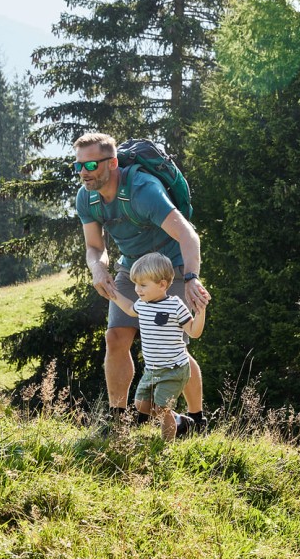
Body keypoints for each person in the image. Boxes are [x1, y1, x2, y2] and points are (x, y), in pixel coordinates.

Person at [74, 133, 210, 431]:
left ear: (112, 163)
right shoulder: (87, 197)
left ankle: (197, 420)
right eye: (79, 166)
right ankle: (119, 421)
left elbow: (188, 235)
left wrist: (190, 278)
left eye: (91, 165)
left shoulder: (143, 190)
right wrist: (98, 269)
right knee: (115, 338)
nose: (83, 172)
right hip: (132, 268)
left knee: (175, 347)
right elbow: (94, 247)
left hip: (169, 267)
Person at [105, 253, 206, 440]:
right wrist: (112, 293)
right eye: (135, 284)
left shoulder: (176, 305)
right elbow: (128, 308)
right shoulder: (143, 305)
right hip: (152, 370)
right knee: (141, 404)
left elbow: (193, 332)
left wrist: (201, 311)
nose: (137, 290)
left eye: (143, 285)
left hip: (174, 369)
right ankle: (180, 421)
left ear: (162, 284)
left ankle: (164, 448)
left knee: (161, 409)